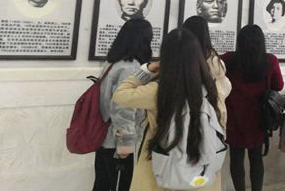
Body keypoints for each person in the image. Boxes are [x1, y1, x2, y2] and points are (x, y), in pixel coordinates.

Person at [112, 27, 221, 191]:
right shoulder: (210, 89)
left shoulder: (158, 91)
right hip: (201, 167)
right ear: (196, 56)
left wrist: (147, 69)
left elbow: (120, 94)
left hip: (161, 165)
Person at [221, 25, 283, 191]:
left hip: (234, 116)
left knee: (236, 157)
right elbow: (278, 85)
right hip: (258, 117)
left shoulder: (229, 59)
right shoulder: (270, 60)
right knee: (256, 158)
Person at [94, 19, 152, 191]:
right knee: (121, 185)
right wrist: (126, 142)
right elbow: (124, 107)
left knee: (102, 184)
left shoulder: (113, 62)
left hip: (105, 136)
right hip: (118, 140)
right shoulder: (131, 67)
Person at [182, 16, 232, 129]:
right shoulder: (214, 60)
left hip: (182, 113)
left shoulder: (179, 57)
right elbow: (225, 89)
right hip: (209, 116)